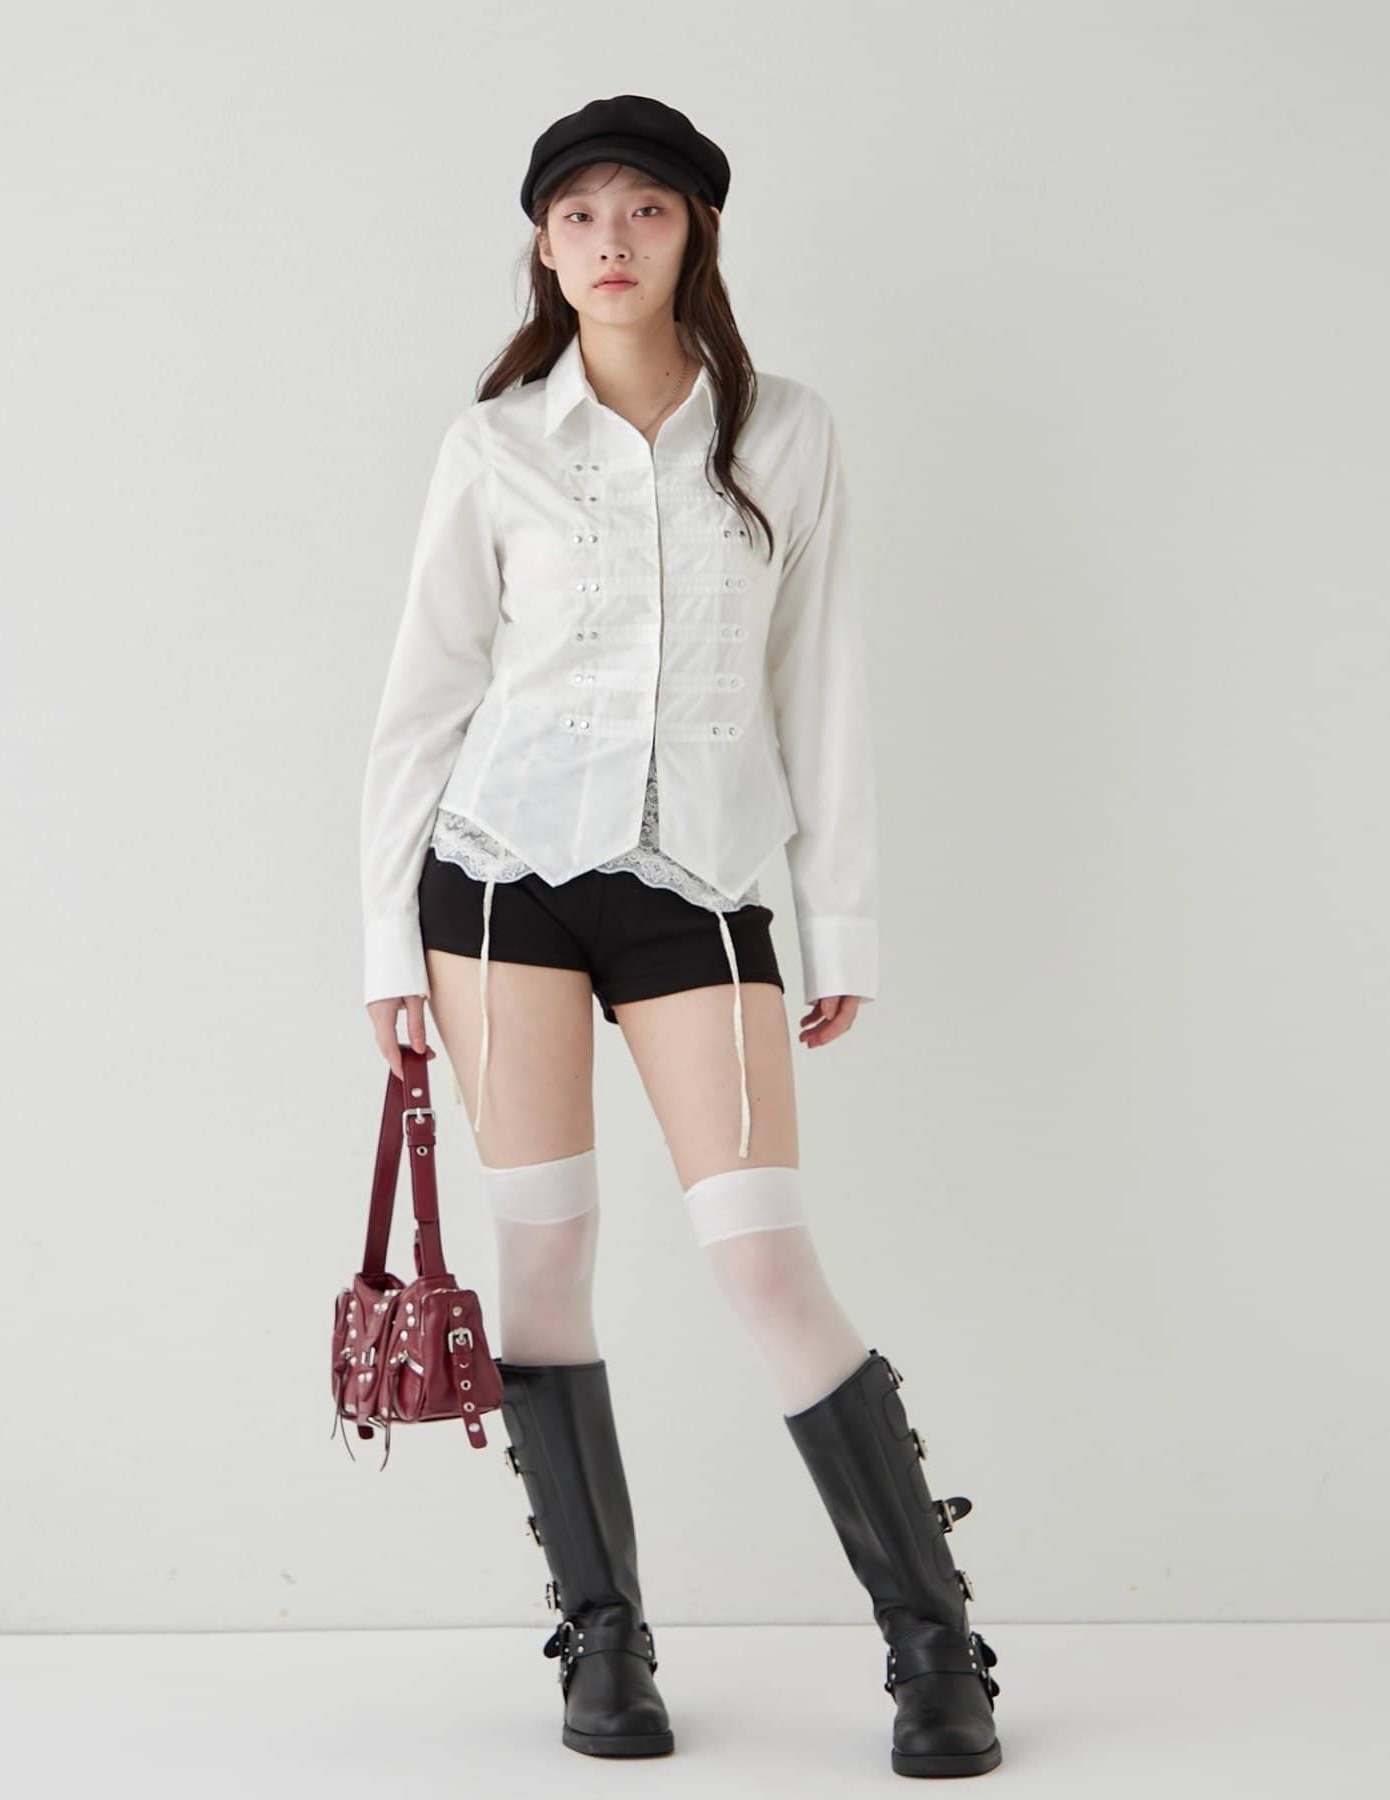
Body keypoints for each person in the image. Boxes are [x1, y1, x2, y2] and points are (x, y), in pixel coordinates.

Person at [358, 94, 1001, 1777]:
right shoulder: (496, 445)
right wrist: (382, 945)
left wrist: (838, 917)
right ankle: (603, 1639)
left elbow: (821, 682)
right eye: (578, 213)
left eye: (644, 209)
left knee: (763, 1258)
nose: (612, 240)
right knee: (547, 1256)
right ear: (543, 245)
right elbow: (424, 699)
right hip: (497, 882)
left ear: (694, 232)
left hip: (702, 888)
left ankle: (936, 1648)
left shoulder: (785, 432)